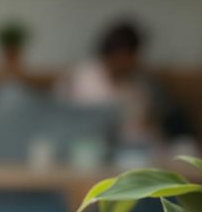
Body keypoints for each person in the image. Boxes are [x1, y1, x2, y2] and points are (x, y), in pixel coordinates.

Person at [54, 19, 186, 148]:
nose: (131, 62)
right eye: (127, 56)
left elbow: (146, 125)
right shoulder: (81, 76)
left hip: (131, 150)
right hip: (87, 147)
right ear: (115, 53)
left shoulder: (136, 85)